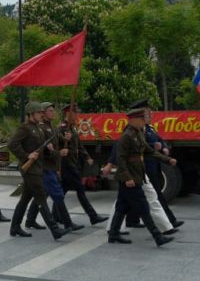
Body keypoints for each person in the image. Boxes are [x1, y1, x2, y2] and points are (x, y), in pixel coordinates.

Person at [107, 107, 176, 246]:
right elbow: (120, 159)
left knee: (122, 206)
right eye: (141, 119)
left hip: (136, 175)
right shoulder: (126, 136)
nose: (144, 121)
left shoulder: (137, 133)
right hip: (130, 178)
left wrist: (167, 160)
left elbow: (149, 151)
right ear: (133, 120)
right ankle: (158, 237)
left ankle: (113, 233)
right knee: (143, 207)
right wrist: (128, 178)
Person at [8, 102, 70, 241]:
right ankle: (55, 230)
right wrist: (26, 156)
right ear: (31, 114)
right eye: (38, 113)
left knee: (25, 199)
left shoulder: (38, 128)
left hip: (38, 168)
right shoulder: (25, 128)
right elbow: (12, 144)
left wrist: (51, 149)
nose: (41, 115)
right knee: (41, 197)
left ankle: (15, 227)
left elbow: (41, 147)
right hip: (30, 169)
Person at [24, 102, 82, 233]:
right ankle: (67, 223)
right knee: (57, 194)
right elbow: (44, 150)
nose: (53, 113)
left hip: (51, 166)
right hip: (45, 167)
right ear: (43, 113)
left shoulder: (52, 127)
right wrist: (58, 153)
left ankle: (30, 220)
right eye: (50, 111)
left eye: (52, 110)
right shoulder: (42, 128)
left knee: (42, 195)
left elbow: (58, 140)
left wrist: (66, 137)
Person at [57, 105, 107, 225]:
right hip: (67, 164)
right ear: (68, 114)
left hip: (73, 162)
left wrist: (87, 157)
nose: (77, 115)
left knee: (62, 191)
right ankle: (93, 216)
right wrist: (65, 139)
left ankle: (56, 215)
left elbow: (79, 145)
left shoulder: (72, 128)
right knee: (80, 189)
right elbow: (58, 142)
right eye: (75, 113)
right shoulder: (63, 128)